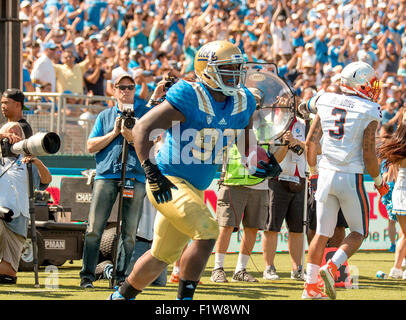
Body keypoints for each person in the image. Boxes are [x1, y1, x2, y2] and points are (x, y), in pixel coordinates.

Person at [108, 40, 281, 300]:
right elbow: (143, 129)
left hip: (195, 189)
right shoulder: (191, 95)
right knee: (209, 231)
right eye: (228, 68)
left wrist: (263, 163)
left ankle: (119, 297)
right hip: (168, 180)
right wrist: (151, 172)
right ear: (208, 69)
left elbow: (247, 146)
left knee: (161, 256)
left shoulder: (243, 101)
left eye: (238, 68)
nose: (236, 74)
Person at [302, 61, 389, 299]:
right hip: (350, 177)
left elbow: (310, 141)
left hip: (325, 173)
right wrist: (380, 183)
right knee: (359, 232)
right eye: (370, 83)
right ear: (360, 84)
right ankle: (331, 267)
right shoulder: (370, 110)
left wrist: (313, 172)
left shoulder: (325, 99)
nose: (374, 87)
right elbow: (369, 154)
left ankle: (309, 288)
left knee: (321, 232)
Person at [79, 73, 150, 288]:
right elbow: (90, 146)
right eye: (122, 87)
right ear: (114, 89)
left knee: (129, 233)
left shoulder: (145, 115)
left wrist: (132, 137)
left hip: (135, 175)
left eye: (130, 87)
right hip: (106, 174)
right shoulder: (105, 115)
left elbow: (153, 147)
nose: (126, 91)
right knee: (93, 228)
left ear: (135, 89)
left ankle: (120, 277)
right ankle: (87, 276)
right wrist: (114, 133)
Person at [210, 89, 286, 284]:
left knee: (252, 228)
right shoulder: (232, 121)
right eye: (251, 101)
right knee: (226, 226)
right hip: (233, 180)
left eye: (257, 102)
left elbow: (275, 155)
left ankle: (240, 270)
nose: (255, 105)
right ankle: (217, 268)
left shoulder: (268, 126)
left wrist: (273, 163)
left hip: (259, 184)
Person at [0, 121, 52, 284]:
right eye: (11, 133)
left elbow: (46, 180)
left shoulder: (27, 162)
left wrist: (37, 162)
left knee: (7, 276)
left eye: (18, 134)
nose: (15, 137)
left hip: (18, 219)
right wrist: (2, 136)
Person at [262, 114, 307, 281]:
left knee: (297, 229)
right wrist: (286, 144)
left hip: (300, 180)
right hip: (278, 179)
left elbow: (314, 149)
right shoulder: (271, 123)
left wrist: (299, 142)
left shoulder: (304, 124)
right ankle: (269, 267)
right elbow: (275, 158)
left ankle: (297, 268)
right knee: (272, 226)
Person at [378, 110, 406, 280]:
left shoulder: (399, 147)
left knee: (403, 234)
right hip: (403, 192)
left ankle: (397, 268)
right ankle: (396, 268)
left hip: (399, 192)